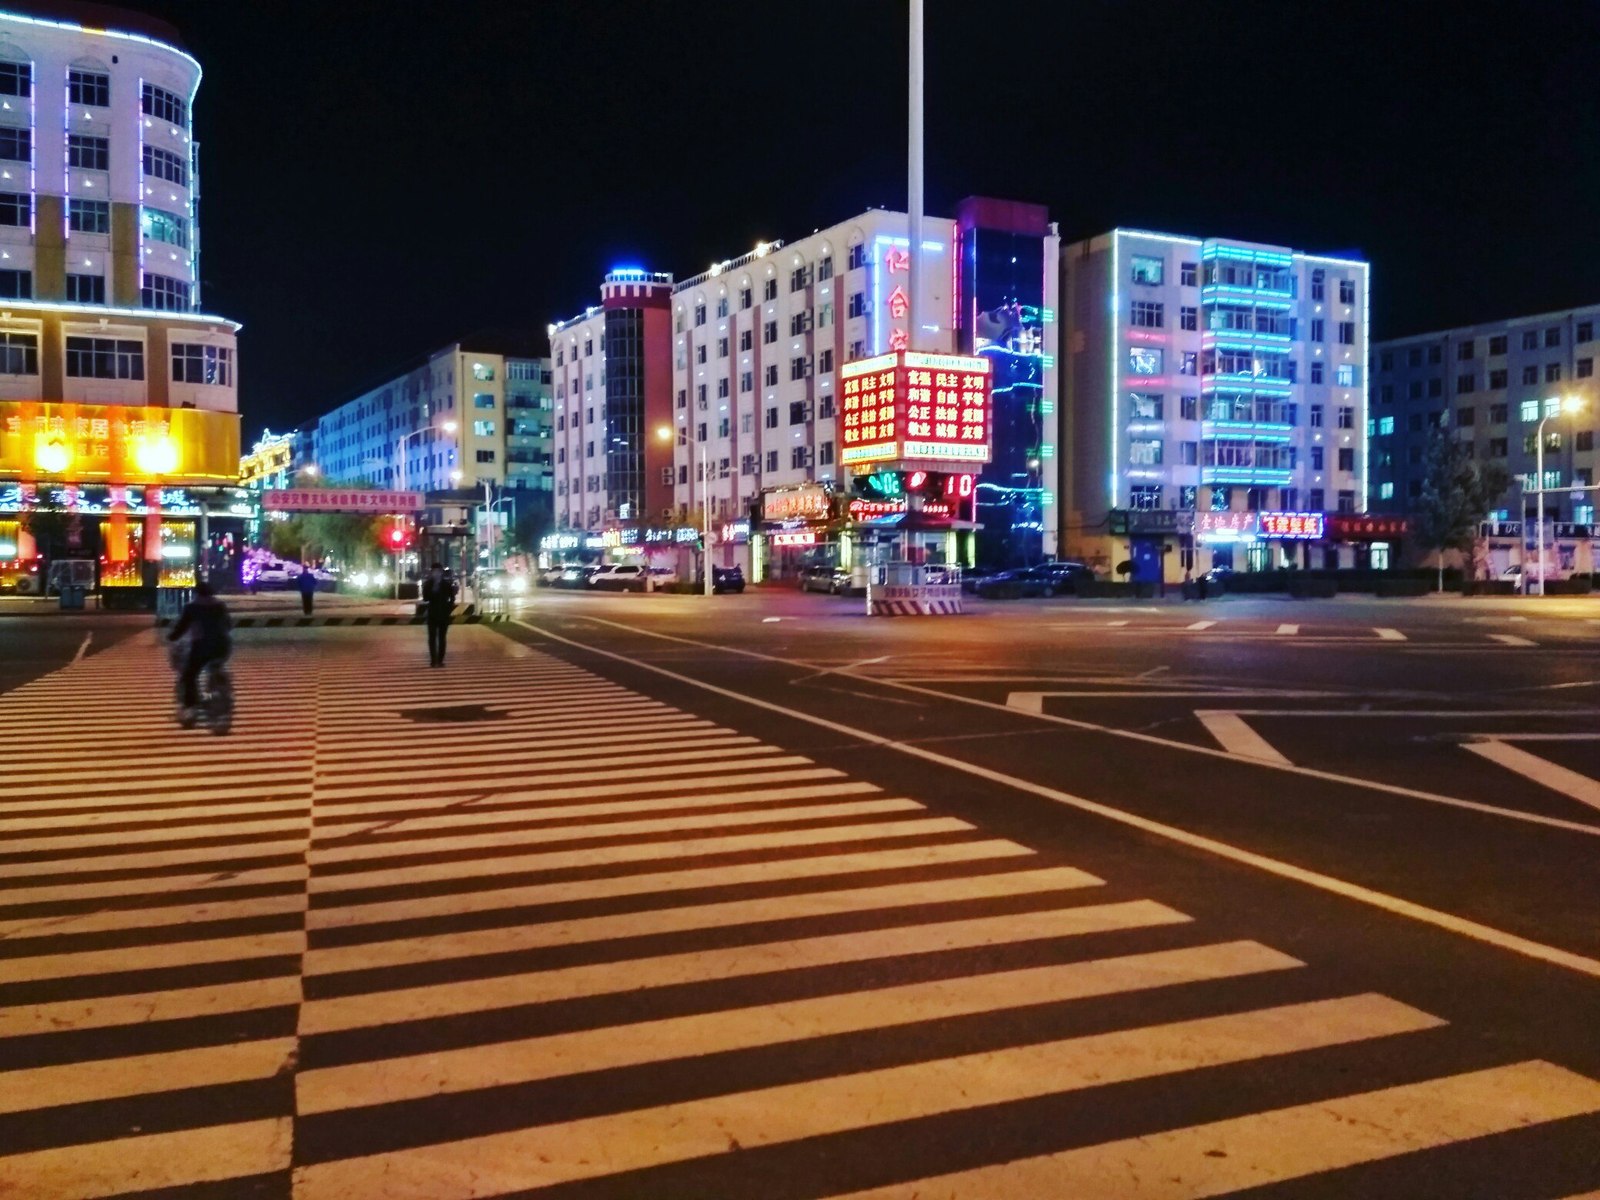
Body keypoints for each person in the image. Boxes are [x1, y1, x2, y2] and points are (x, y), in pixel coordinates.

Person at [168, 580, 232, 716]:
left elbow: (181, 629)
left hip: (202, 648)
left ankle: (190, 706)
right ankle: (223, 691)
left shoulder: (192, 607)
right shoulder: (220, 606)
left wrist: (171, 637)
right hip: (223, 647)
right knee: (217, 666)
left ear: (197, 593)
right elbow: (228, 625)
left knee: (189, 675)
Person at [421, 562, 457, 667]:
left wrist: (449, 609)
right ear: (431, 573)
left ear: (441, 572)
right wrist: (434, 589)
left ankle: (440, 660)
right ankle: (433, 660)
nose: (436, 574)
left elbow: (452, 598)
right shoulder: (428, 584)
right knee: (432, 638)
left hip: (444, 615)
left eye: (438, 571)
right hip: (432, 614)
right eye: (434, 571)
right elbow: (425, 598)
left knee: (442, 638)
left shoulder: (446, 584)